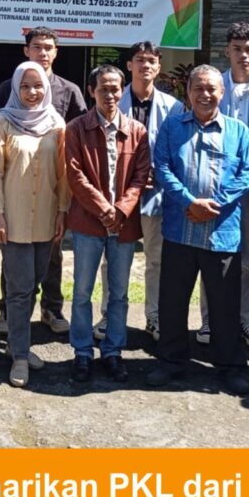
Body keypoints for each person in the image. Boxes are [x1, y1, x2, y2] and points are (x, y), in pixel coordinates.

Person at [146, 65, 249, 395]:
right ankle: (171, 361)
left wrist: (214, 204)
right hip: (179, 229)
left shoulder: (238, 131)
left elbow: (248, 172)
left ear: (222, 93)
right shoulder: (172, 127)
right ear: (188, 92)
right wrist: (189, 201)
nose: (205, 94)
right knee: (172, 301)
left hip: (221, 232)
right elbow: (162, 167)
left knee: (224, 304)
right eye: (198, 88)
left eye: (211, 89)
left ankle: (230, 366)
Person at [0, 28, 86, 336]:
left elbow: (78, 137)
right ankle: (9, 311)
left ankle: (51, 307)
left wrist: (66, 201)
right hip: (17, 188)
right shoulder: (9, 87)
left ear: (56, 52)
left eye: (48, 47)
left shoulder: (69, 90)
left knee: (52, 255)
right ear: (26, 51)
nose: (42, 52)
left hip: (49, 189)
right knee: (14, 258)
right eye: (37, 47)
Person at [0, 62, 68, 388]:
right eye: (25, 86)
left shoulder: (56, 123)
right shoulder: (3, 121)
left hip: (46, 216)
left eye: (37, 86)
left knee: (33, 284)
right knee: (19, 289)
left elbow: (63, 173)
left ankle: (15, 344)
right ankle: (20, 355)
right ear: (16, 88)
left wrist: (62, 211)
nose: (32, 92)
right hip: (15, 218)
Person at [198, 22, 249, 350]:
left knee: (248, 260)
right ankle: (209, 320)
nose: (243, 55)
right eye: (237, 49)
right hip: (215, 188)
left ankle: (246, 320)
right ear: (227, 51)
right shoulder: (214, 86)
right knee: (212, 256)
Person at [66, 65, 151, 383]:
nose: (110, 94)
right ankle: (82, 352)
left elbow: (142, 175)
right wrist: (104, 208)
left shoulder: (137, 131)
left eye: (115, 88)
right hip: (88, 223)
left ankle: (113, 351)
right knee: (82, 292)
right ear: (92, 91)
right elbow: (75, 175)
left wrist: (121, 209)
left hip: (123, 225)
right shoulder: (76, 128)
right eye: (103, 88)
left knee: (119, 293)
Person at [94, 41, 182, 343]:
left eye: (152, 60)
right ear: (129, 65)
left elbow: (175, 151)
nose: (146, 65)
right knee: (114, 259)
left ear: (158, 66)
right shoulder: (113, 101)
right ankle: (109, 315)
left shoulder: (173, 107)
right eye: (140, 60)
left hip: (158, 195)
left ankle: (155, 316)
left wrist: (157, 174)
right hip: (119, 195)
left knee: (157, 259)